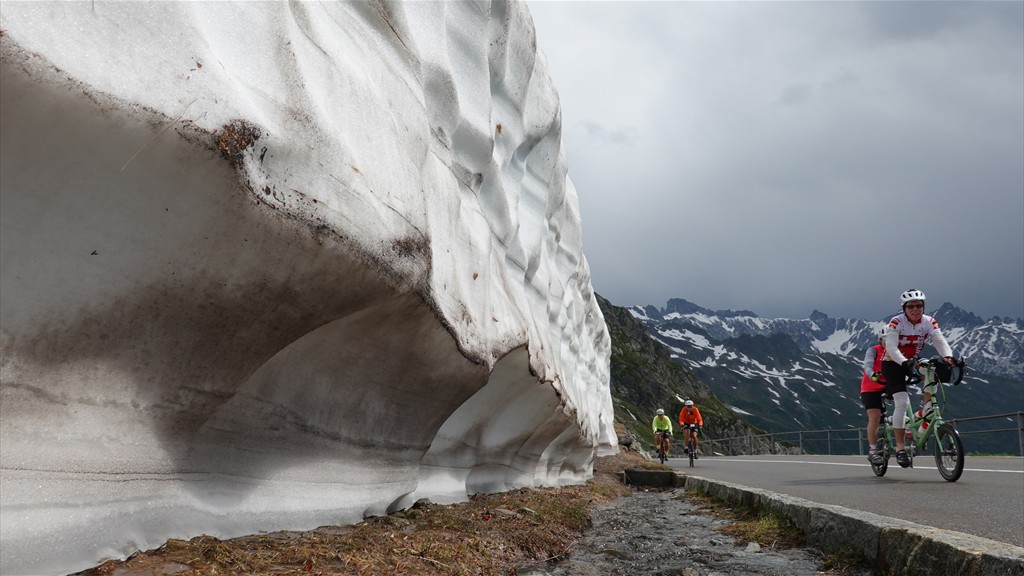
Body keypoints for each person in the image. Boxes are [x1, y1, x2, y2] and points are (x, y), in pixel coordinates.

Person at [881, 289, 956, 468]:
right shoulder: (896, 322)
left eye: (919, 306)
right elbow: (890, 347)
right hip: (893, 363)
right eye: (911, 306)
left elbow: (939, 340)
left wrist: (948, 357)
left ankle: (923, 419)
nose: (916, 309)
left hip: (913, 361)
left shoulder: (928, 322)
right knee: (901, 402)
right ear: (904, 308)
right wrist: (903, 362)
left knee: (933, 374)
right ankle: (900, 448)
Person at [861, 331, 888, 464]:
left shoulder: (897, 352)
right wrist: (872, 374)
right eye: (885, 339)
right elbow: (868, 365)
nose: (888, 342)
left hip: (888, 386)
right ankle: (873, 451)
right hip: (870, 388)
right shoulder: (873, 350)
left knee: (904, 406)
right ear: (880, 340)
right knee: (875, 416)